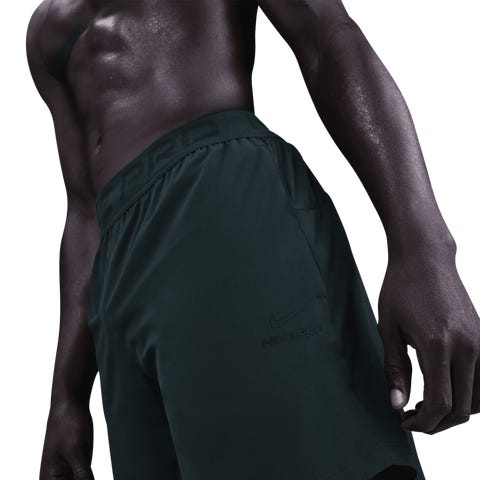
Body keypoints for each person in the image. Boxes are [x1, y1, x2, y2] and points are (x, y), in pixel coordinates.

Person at [26, 1, 479, 479]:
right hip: (117, 282)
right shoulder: (47, 31)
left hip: (221, 205)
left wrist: (424, 248)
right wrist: (67, 399)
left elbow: (326, 38)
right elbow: (85, 212)